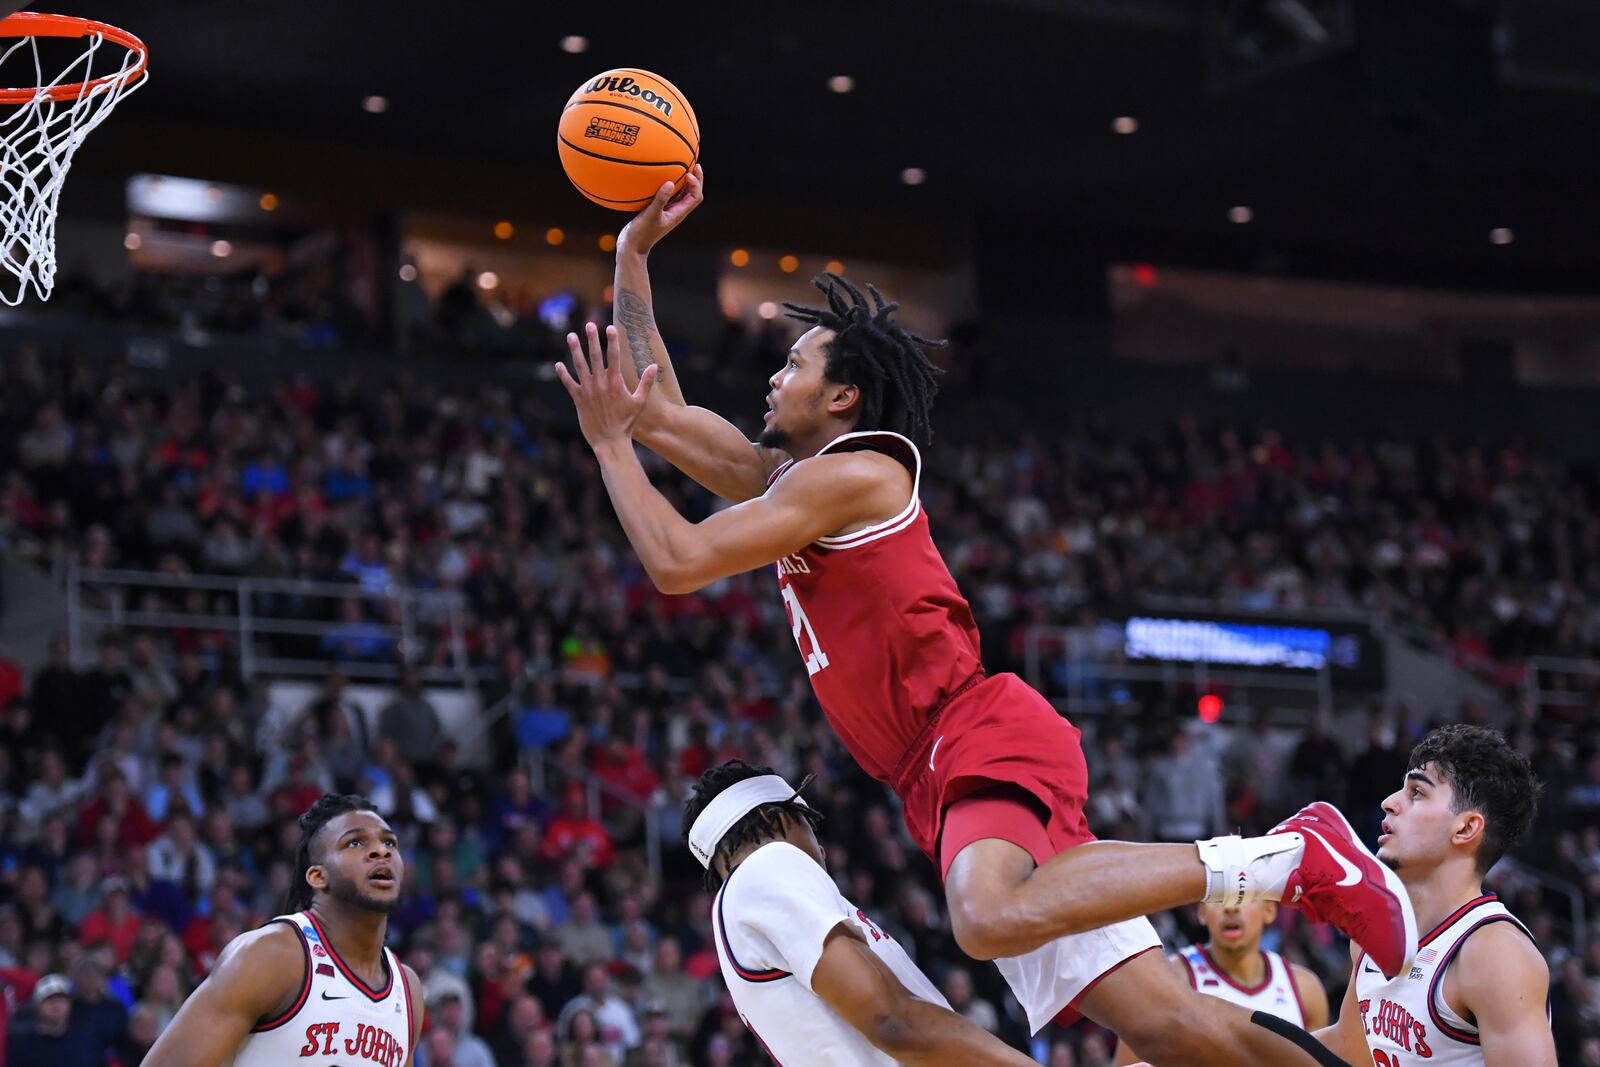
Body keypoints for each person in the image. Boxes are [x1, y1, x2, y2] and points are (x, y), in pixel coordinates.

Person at [556, 169, 1413, 1064]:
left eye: (794, 366)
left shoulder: (858, 474)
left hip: (971, 730)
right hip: (931, 773)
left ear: (844, 398)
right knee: (1171, 1028)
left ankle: (1283, 854)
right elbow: (656, 403)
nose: (772, 379)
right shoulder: (788, 484)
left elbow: (678, 559)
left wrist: (610, 447)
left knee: (984, 916)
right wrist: (633, 252)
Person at [685, 759, 1041, 1066]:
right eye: (809, 822)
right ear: (771, 815)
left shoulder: (741, 905)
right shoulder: (767, 865)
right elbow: (893, 1022)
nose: (822, 849)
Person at [1314, 724, 1557, 1066]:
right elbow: (1349, 1047)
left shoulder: (1494, 954)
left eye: (1416, 792)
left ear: (1466, 828)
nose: (1389, 803)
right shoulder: (1371, 936)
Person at [139, 794, 425, 1066]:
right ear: (317, 876)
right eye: (354, 843)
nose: (381, 851)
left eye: (390, 843)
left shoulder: (406, 990)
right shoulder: (274, 955)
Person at [1113, 899, 1328, 1064]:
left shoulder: (1304, 987)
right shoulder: (1171, 978)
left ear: (1269, 910)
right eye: (1219, 898)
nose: (1231, 909)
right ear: (1201, 911)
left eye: (1244, 897)